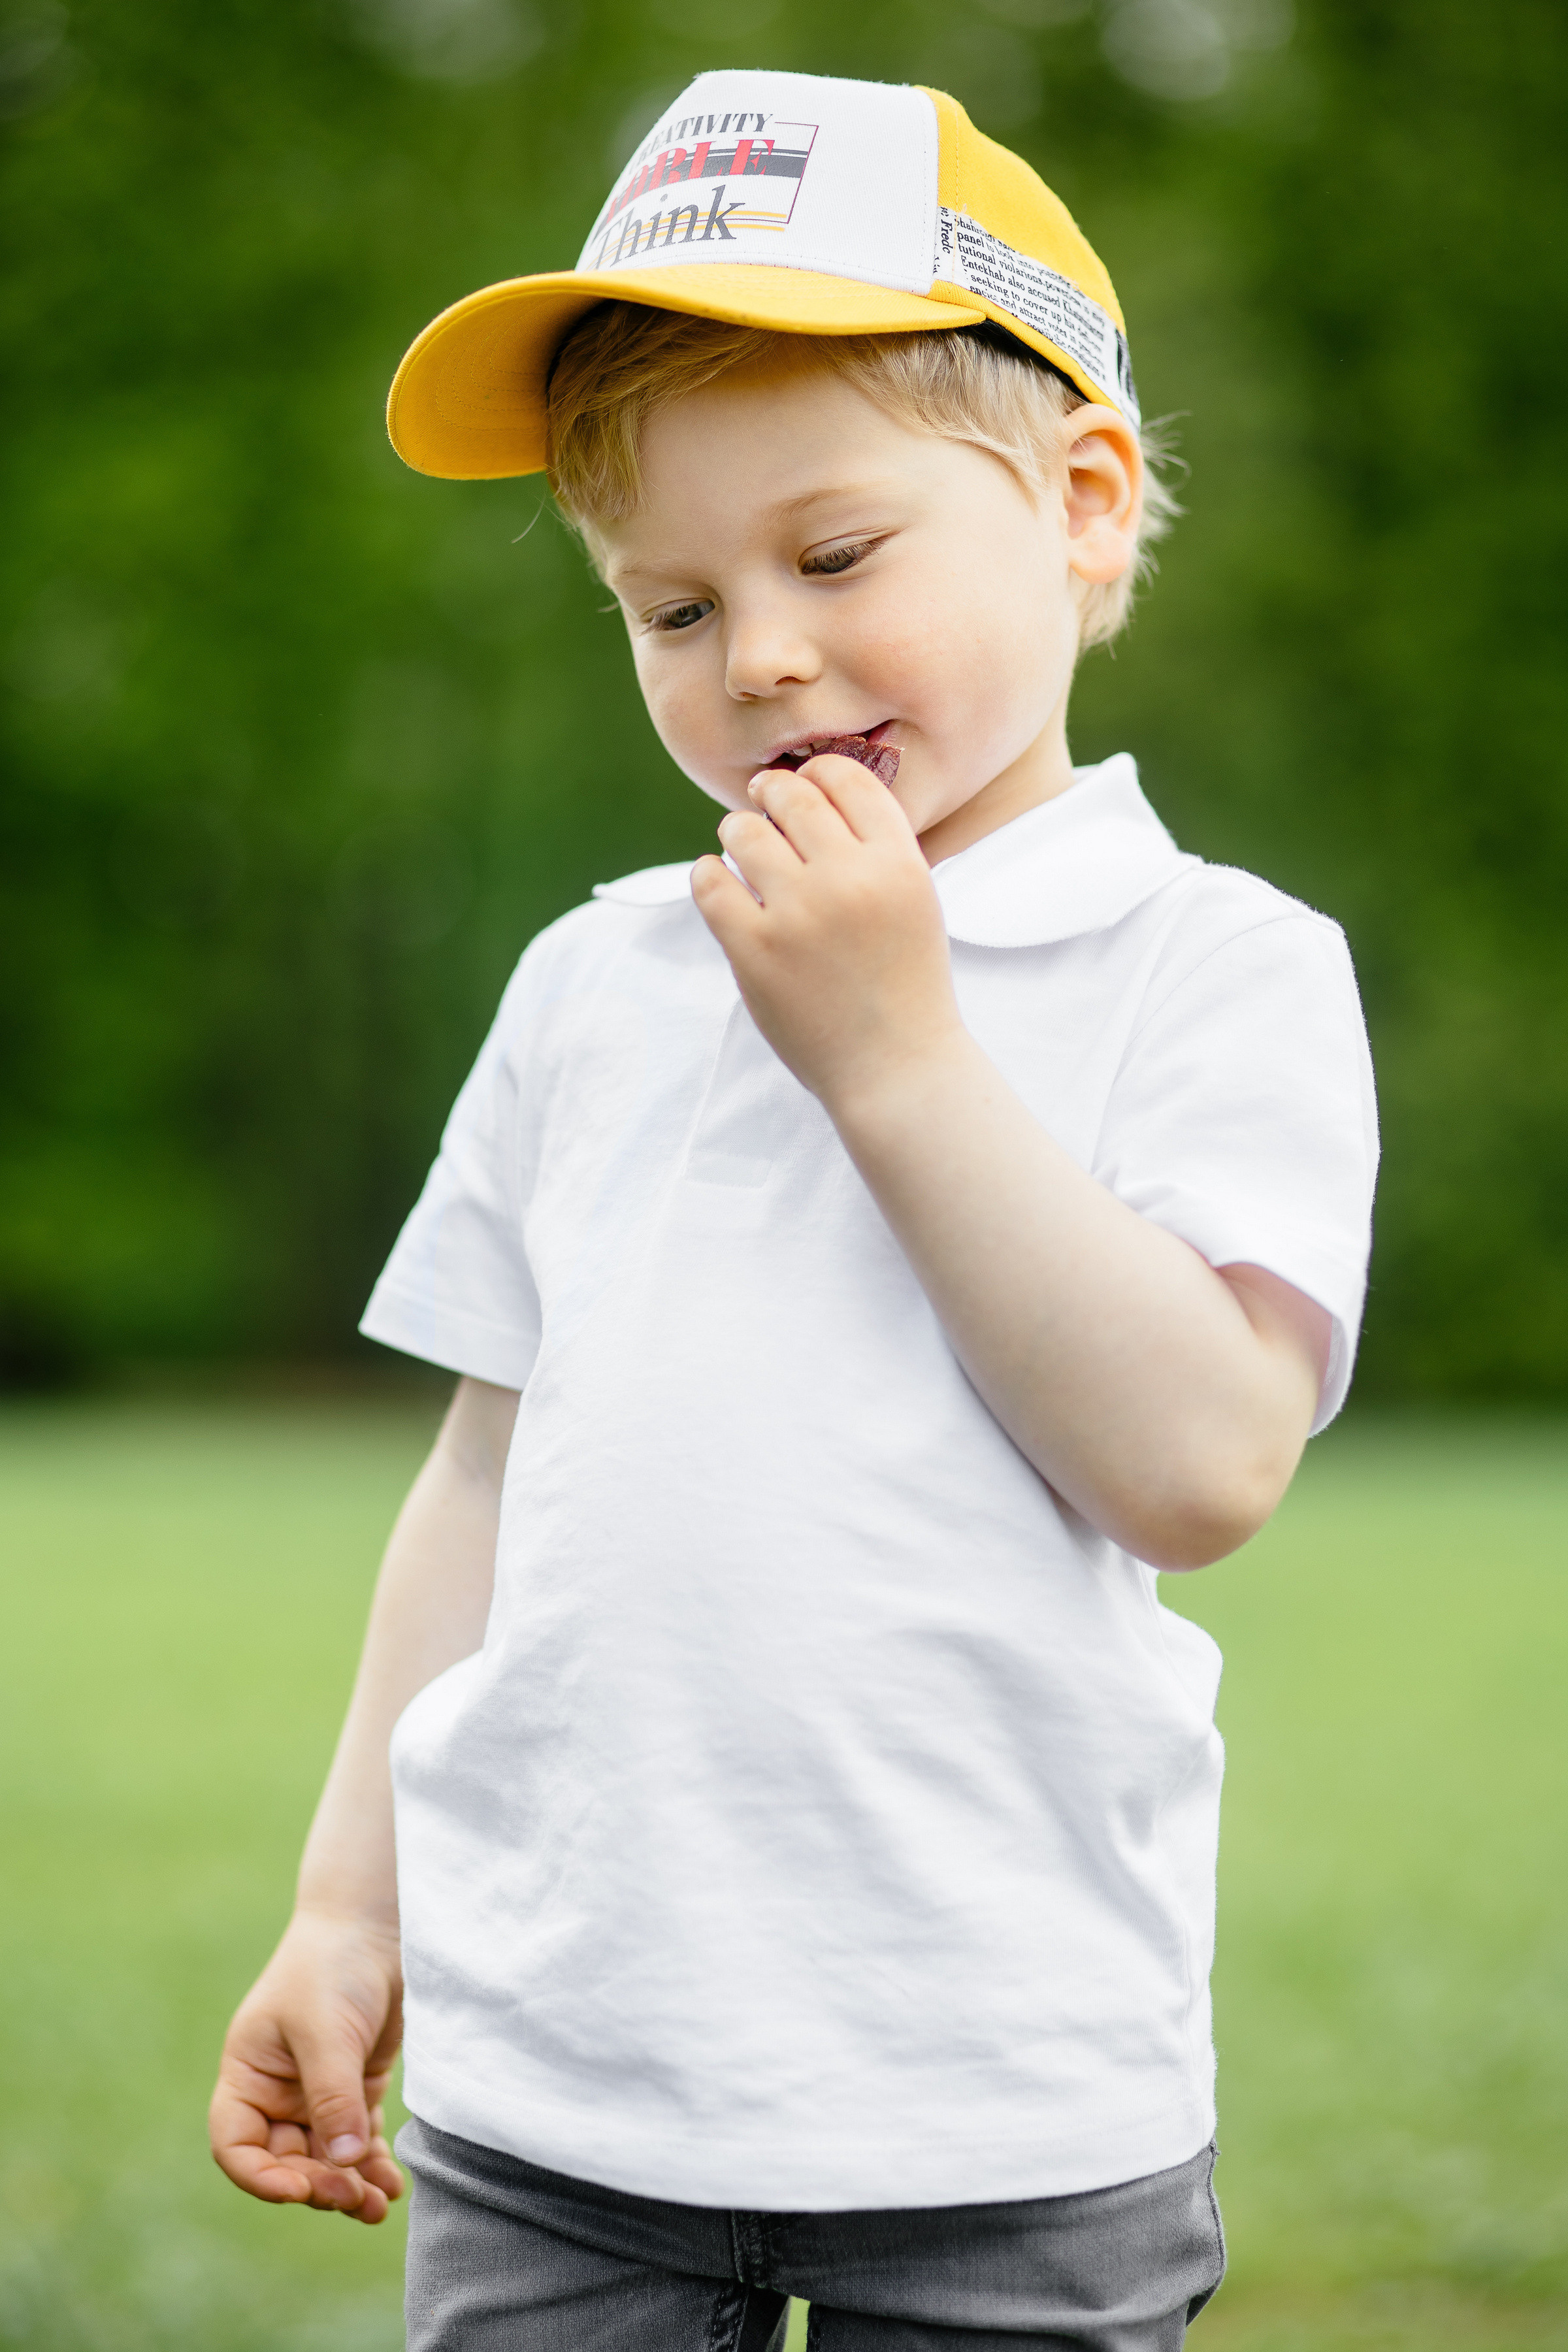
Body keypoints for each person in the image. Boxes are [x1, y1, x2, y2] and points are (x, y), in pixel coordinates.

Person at [210, 69, 1378, 2352]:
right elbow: (483, 1474)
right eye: (668, 604)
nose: (755, 657)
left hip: (1003, 2118)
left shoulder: (1218, 964)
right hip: (566, 2107)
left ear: (1082, 507)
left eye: (836, 557)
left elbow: (1203, 1461)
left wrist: (896, 1055)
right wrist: (355, 1900)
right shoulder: (594, 982)